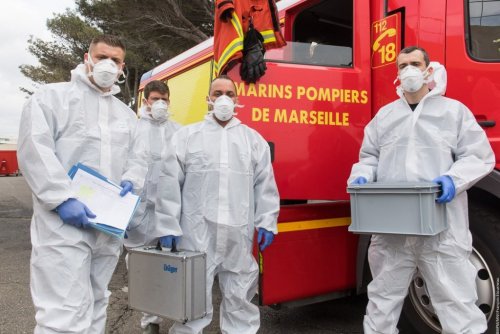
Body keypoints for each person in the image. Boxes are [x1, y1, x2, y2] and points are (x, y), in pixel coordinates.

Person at [348, 46, 495, 334]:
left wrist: (454, 179)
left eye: (414, 63)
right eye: (402, 66)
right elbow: (369, 157)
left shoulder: (453, 112)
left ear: (429, 69)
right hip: (393, 231)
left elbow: (478, 156)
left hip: (440, 228)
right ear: (397, 74)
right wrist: (362, 177)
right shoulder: (385, 116)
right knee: (382, 301)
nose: (408, 71)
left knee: (457, 303)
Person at [17, 34, 147, 334]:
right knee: (62, 312)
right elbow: (35, 149)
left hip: (107, 228)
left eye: (115, 60)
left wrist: (130, 182)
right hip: (63, 226)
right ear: (87, 58)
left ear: (122, 67)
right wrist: (62, 198)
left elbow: (138, 158)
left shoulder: (126, 116)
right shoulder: (51, 98)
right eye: (102, 57)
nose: (107, 65)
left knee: (97, 301)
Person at [155, 75, 280, 334]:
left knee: (240, 294)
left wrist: (267, 221)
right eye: (217, 92)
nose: (224, 98)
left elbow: (265, 184)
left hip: (238, 233)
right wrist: (167, 225)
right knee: (192, 298)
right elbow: (169, 184)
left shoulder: (252, 140)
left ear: (237, 100)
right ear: (208, 99)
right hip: (197, 232)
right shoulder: (187, 137)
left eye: (229, 93)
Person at [124, 80, 180, 334]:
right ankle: (150, 323)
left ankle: (176, 314)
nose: (160, 103)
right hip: (137, 215)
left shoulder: (179, 132)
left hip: (168, 214)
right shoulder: (132, 130)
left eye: (164, 99)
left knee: (169, 269)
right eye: (155, 98)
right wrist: (121, 215)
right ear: (145, 101)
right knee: (142, 270)